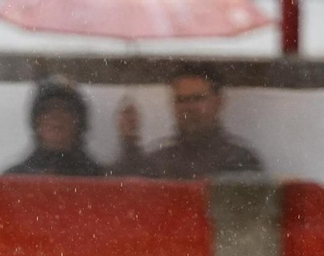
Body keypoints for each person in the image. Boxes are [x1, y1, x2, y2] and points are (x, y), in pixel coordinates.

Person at [112, 67, 264, 180]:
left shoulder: (239, 159)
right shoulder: (159, 159)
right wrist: (129, 142)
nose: (189, 108)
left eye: (197, 99)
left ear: (218, 101)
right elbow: (125, 196)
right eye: (181, 100)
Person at [3, 76, 106, 177]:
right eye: (47, 109)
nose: (55, 117)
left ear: (80, 121)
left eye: (65, 109)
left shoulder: (99, 178)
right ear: (36, 121)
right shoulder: (14, 178)